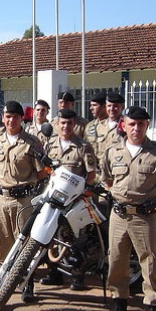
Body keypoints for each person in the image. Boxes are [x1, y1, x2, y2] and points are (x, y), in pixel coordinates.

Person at [95, 106, 156, 311]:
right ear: (124, 125)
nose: (136, 128)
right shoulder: (113, 152)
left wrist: (151, 202)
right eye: (132, 124)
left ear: (147, 125)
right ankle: (119, 310)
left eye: (141, 124)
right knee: (117, 261)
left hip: (145, 217)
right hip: (119, 216)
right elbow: (108, 181)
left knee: (151, 265)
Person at [0, 100, 49, 302]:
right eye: (7, 116)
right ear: (2, 118)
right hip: (2, 198)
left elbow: (41, 172)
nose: (10, 120)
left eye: (15, 116)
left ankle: (27, 283)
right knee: (3, 239)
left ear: (22, 118)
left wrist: (25, 185)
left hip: (24, 199)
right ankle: (3, 276)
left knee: (25, 243)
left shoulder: (31, 143)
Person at [40, 109, 98, 289]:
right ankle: (53, 272)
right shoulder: (50, 145)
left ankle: (77, 276)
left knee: (76, 238)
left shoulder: (83, 147)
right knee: (50, 234)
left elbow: (91, 174)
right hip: (54, 197)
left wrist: (80, 192)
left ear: (75, 124)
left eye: (69, 123)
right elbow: (45, 170)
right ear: (57, 124)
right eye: (62, 123)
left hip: (74, 200)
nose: (66, 126)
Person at [94, 92, 125, 171]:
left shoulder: (127, 125)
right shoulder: (99, 126)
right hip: (101, 171)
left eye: (115, 106)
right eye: (109, 106)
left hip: (118, 170)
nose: (111, 109)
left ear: (122, 107)